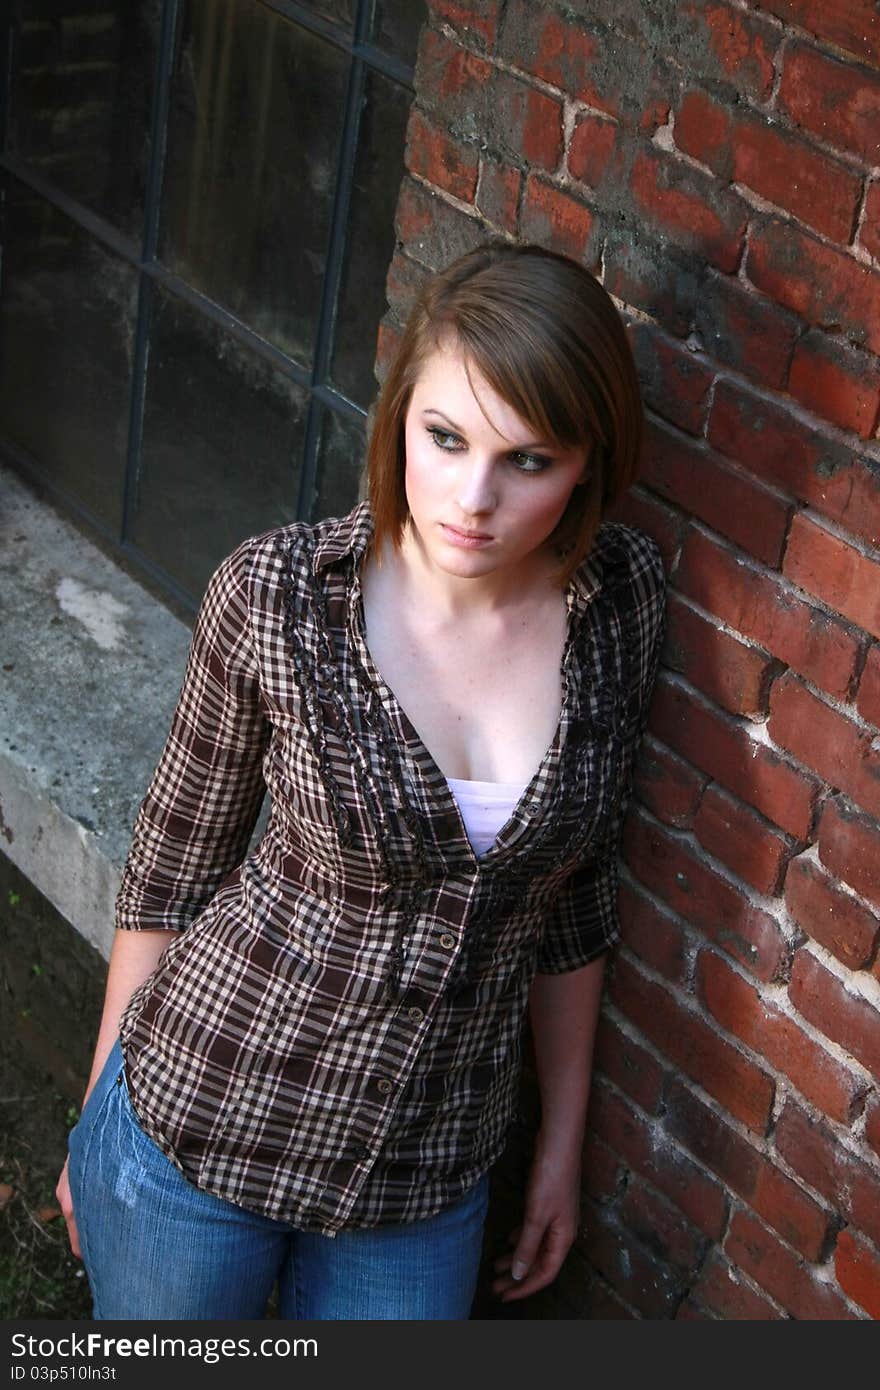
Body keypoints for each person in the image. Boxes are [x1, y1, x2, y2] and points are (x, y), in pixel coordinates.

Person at [57, 241, 666, 1320]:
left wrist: (560, 1147)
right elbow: (171, 866)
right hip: (199, 1127)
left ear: (589, 464)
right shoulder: (280, 595)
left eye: (529, 459)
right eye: (444, 438)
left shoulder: (616, 608)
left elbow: (573, 904)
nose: (472, 497)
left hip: (426, 1181)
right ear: (398, 423)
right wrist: (101, 1104)